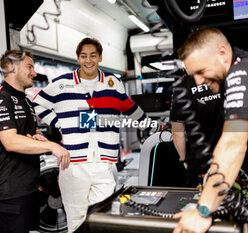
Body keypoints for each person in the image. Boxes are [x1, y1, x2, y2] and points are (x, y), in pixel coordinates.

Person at [33, 37, 162, 232]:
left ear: (100, 57)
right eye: (84, 56)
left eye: (93, 55)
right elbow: (37, 105)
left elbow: (131, 109)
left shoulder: (113, 83)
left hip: (104, 165)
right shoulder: (62, 84)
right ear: (78, 58)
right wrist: (59, 123)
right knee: (76, 221)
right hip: (73, 165)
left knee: (101, 219)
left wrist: (156, 128)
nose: (88, 60)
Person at [172, 27, 248, 233]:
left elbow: (233, 143)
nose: (198, 81)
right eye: (192, 75)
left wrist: (202, 211)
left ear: (222, 53)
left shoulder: (244, 72)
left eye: (200, 71)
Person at [0, 49, 70, 233]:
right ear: (12, 67)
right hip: (8, 192)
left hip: (29, 188)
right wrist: (51, 145)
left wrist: (38, 138)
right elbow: (11, 142)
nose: (34, 72)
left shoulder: (26, 101)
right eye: (29, 67)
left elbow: (31, 133)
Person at [170, 74, 224, 187]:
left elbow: (177, 131)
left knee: (198, 199)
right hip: (231, 156)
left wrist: (183, 159)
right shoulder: (225, 75)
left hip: (199, 160)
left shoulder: (182, 85)